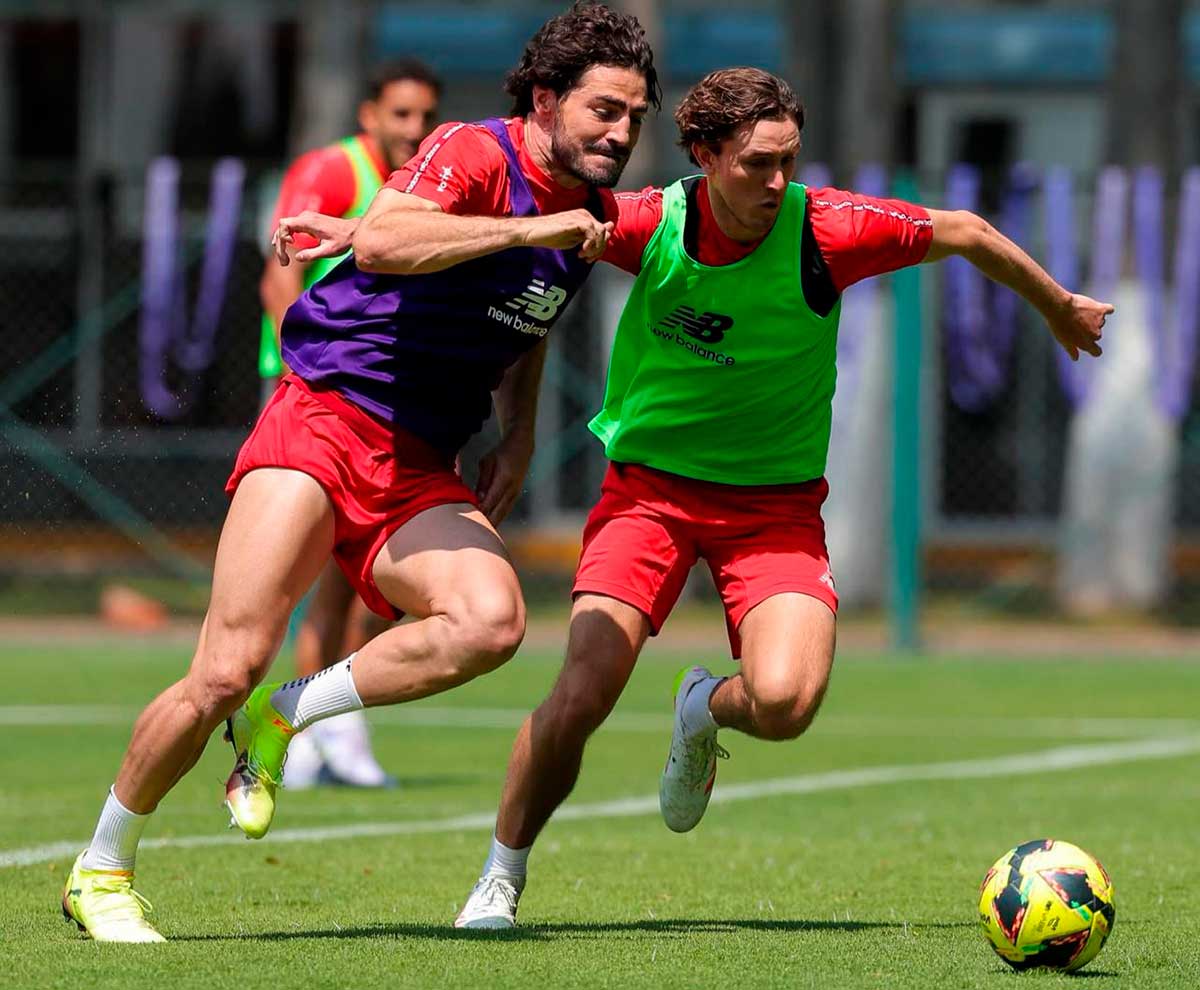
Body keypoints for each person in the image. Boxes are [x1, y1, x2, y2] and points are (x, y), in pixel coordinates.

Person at [446, 67, 1110, 928]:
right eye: (758, 164)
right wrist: (518, 426)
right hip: (648, 493)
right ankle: (502, 873)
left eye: (789, 161)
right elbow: (529, 275)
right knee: (583, 694)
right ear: (704, 155)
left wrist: (1056, 307)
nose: (778, 183)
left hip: (774, 508)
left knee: (788, 703)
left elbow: (965, 230)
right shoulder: (647, 222)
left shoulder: (827, 230)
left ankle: (699, 708)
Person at [61, 1, 658, 943]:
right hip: (324, 419)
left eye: (635, 117)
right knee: (222, 669)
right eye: (604, 111)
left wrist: (524, 431)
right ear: (546, 98)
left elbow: (530, 316)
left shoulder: (584, 213)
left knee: (491, 621)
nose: (621, 133)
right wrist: (520, 230)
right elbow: (383, 241)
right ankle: (101, 867)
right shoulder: (472, 150)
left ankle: (288, 716)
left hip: (420, 461)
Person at [258, 59, 441, 791]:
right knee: (300, 579)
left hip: (384, 405)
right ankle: (305, 733)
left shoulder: (425, 185)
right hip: (311, 399)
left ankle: (320, 726)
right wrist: (298, 374)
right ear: (369, 114)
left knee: (352, 581)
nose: (414, 130)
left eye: (424, 116)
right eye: (400, 114)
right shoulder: (333, 170)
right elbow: (282, 268)